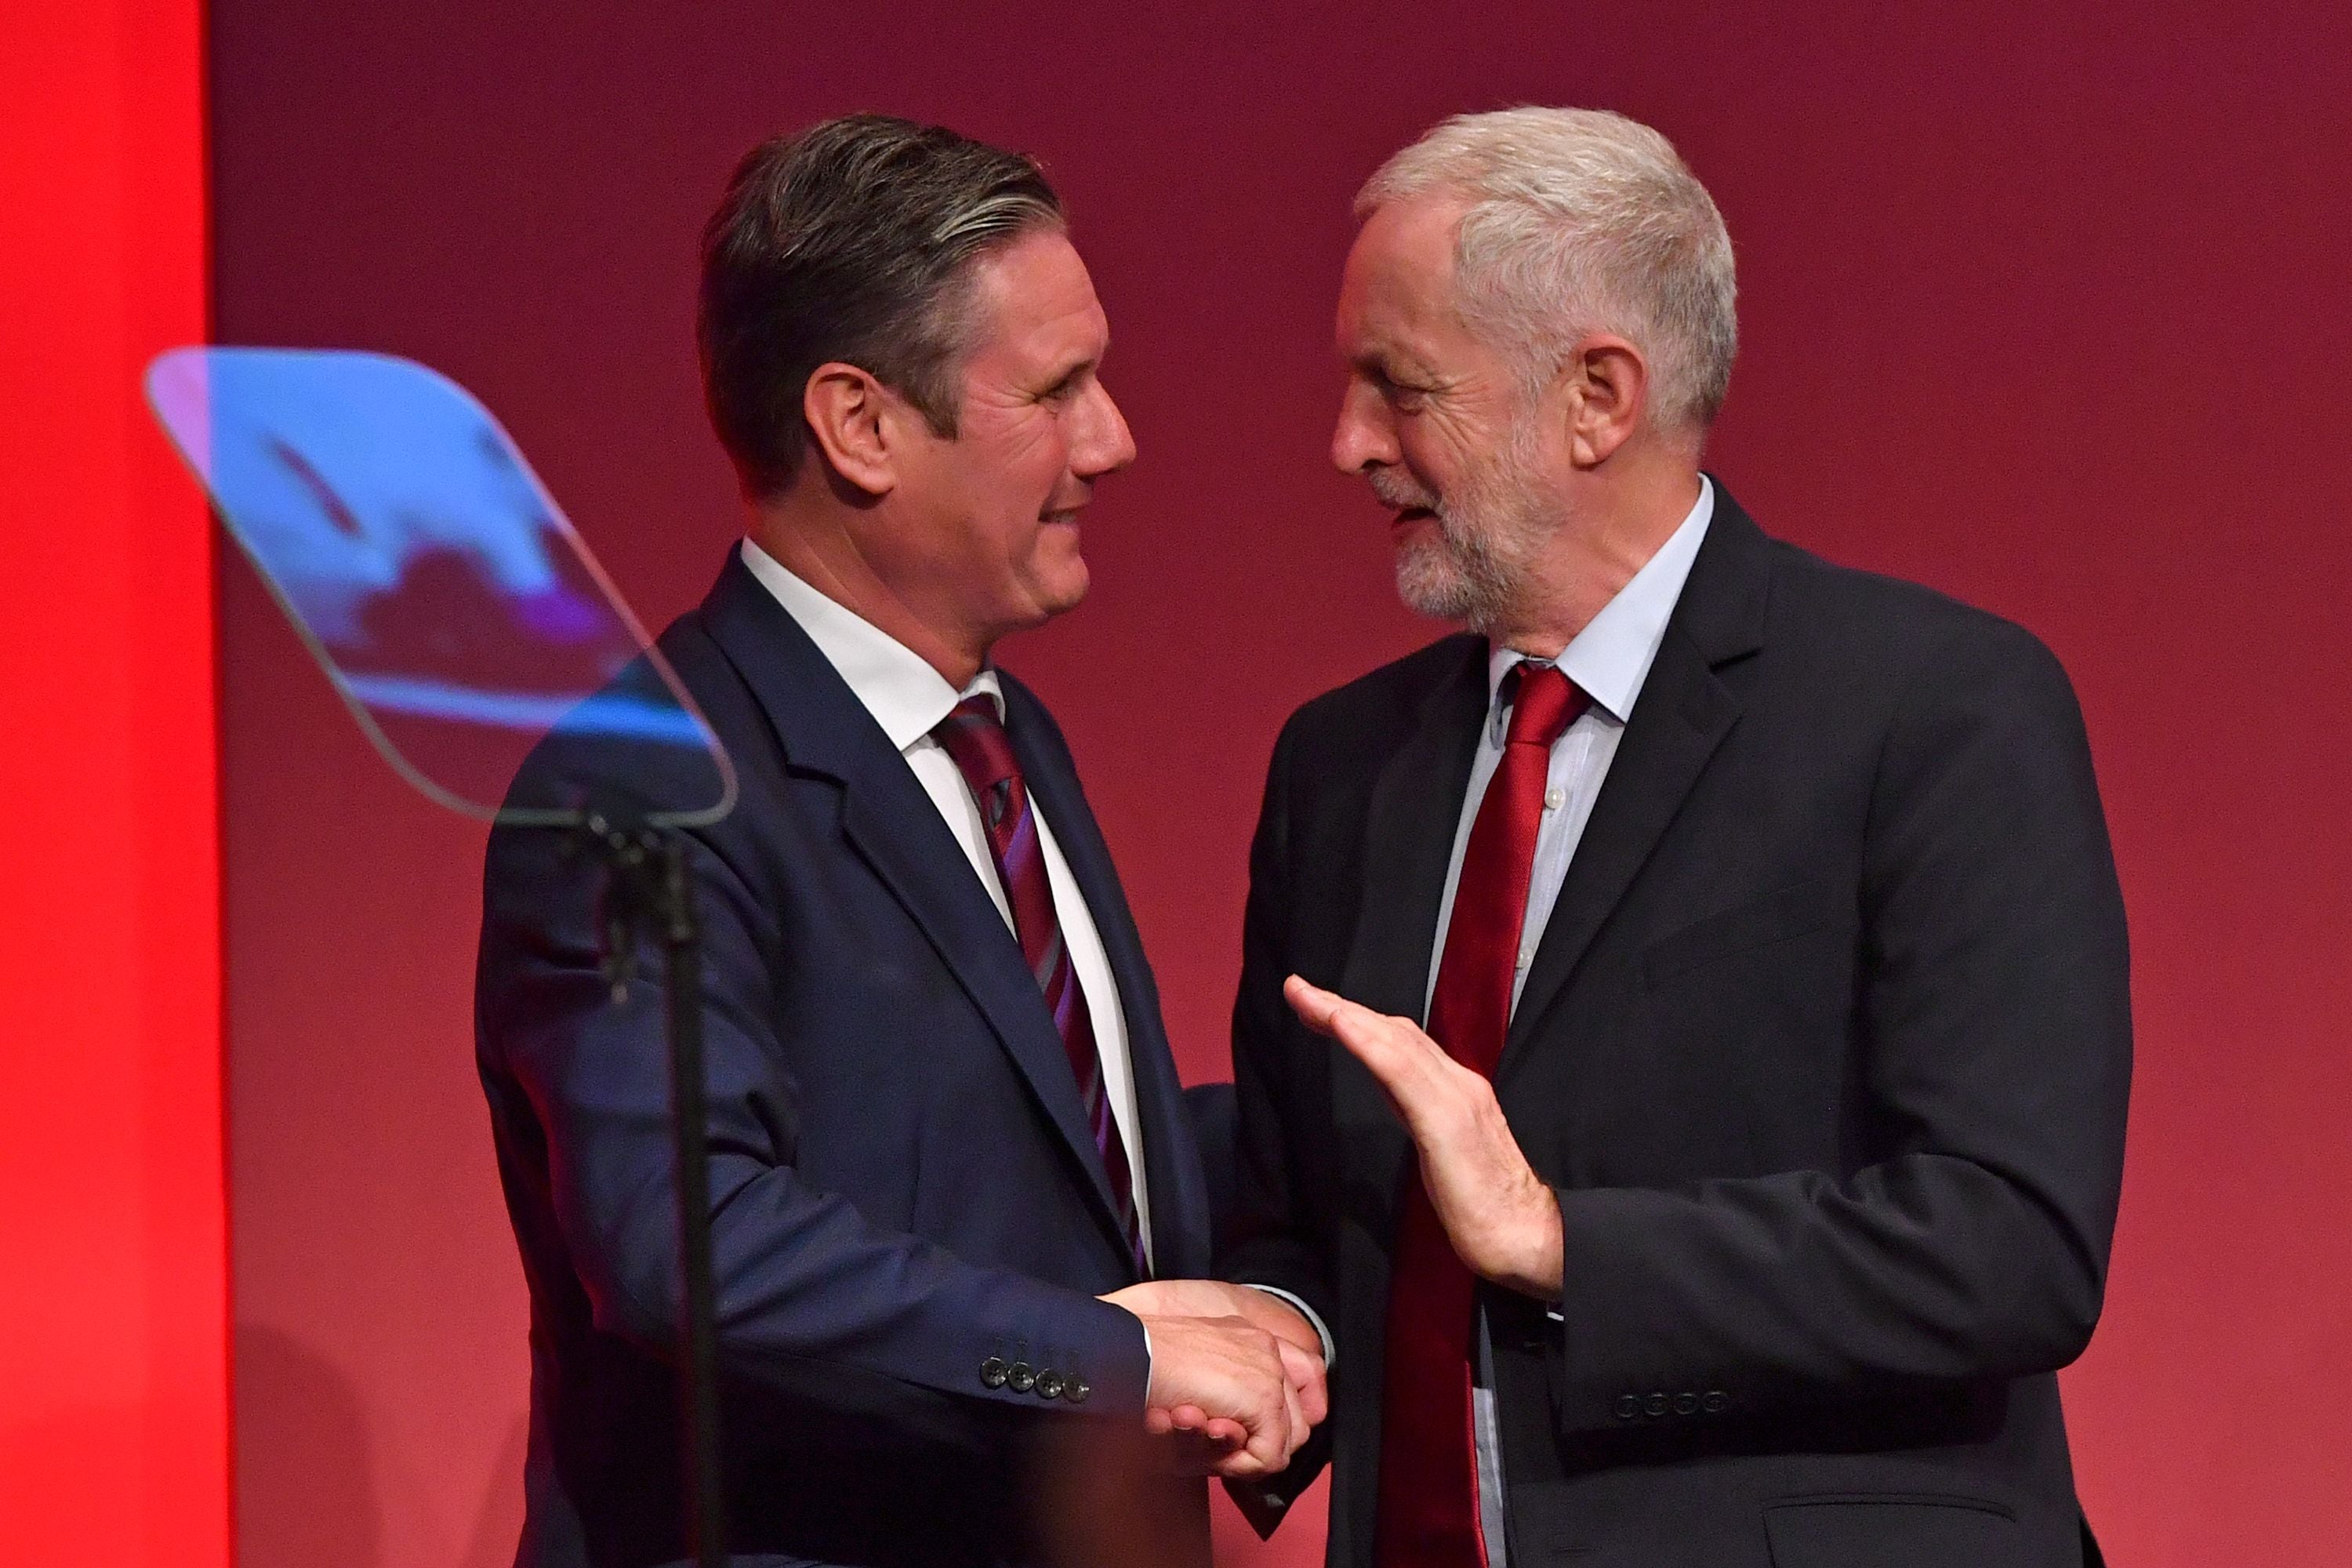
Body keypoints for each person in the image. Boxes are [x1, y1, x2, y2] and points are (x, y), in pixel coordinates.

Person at [1221, 107, 2129, 1568]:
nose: (1347, 446)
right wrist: (1276, 1329)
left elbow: (2007, 1244)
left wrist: (1567, 1243)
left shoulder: (1939, 709)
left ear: (1596, 396)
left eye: (1401, 389)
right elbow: (1294, 1211)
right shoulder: (1340, 768)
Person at [474, 114, 1323, 1568]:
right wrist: (1115, 1362)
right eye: (1056, 391)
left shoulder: (1006, 737)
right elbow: (693, 1240)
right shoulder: (642, 786)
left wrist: (1333, 1183)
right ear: (859, 425)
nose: (1114, 441)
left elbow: (1032, 1166)